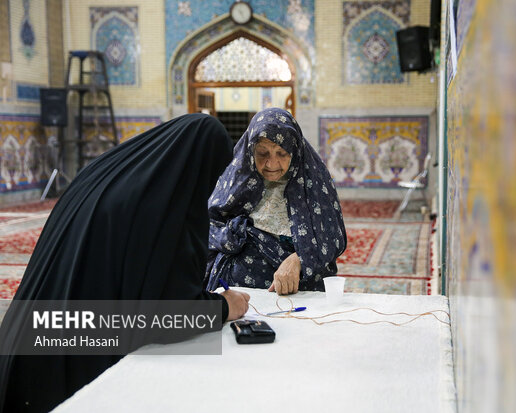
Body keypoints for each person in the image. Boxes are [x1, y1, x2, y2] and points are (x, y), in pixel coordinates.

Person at [0, 113, 250, 413]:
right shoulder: (156, 210)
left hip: (28, 343)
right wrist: (224, 306)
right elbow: (164, 315)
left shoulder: (105, 175)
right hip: (62, 375)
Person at [205, 108, 347, 295]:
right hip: (238, 292)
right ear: (250, 150)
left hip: (299, 291)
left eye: (281, 153)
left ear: (294, 150)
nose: (271, 164)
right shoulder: (237, 180)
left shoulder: (312, 182)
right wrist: (233, 234)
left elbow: (332, 236)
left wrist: (299, 259)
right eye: (262, 153)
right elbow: (208, 226)